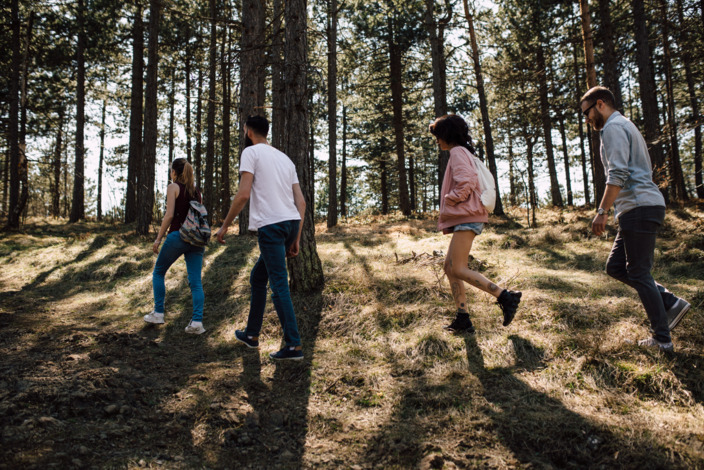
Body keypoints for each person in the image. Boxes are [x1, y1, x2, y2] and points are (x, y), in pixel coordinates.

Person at [581, 86, 691, 351]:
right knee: (616, 267)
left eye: (586, 113)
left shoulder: (612, 128)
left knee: (639, 271)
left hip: (639, 207)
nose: (586, 119)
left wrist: (601, 211)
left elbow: (617, 174)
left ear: (600, 104)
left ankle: (662, 339)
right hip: (638, 207)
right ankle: (669, 302)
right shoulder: (626, 125)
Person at [217, 115, 307, 361]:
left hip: (272, 226)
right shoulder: (285, 158)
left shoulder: (251, 153)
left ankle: (293, 345)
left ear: (248, 132)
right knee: (258, 277)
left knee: (278, 285)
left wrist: (224, 226)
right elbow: (301, 202)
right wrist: (296, 237)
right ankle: (251, 335)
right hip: (289, 225)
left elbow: (243, 194)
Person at [430, 114, 522, 333]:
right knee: (449, 267)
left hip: (468, 215)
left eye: (438, 136)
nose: (437, 141)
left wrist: (450, 198)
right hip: (467, 216)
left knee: (458, 268)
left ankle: (505, 296)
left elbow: (468, 180)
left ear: (448, 135)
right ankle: (463, 318)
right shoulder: (462, 152)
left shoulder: (457, 152)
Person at [144, 158, 206, 335]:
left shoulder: (173, 187)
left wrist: (158, 239)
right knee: (195, 282)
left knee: (158, 272)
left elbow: (169, 215)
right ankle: (197, 323)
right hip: (196, 240)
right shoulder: (197, 192)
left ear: (174, 172)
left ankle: (158, 313)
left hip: (178, 236)